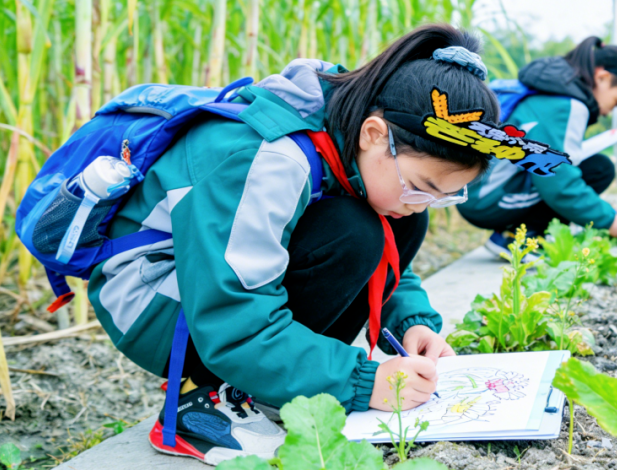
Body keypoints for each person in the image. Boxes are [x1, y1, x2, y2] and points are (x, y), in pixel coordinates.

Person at [88, 25, 554, 465]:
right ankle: (200, 403)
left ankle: (271, 382)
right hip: (155, 301)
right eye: (421, 186)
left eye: (445, 195)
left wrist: (411, 321)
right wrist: (363, 381)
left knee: (395, 222)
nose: (425, 202)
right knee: (356, 228)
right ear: (375, 134)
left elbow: (388, 256)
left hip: (210, 292)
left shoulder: (343, 135)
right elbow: (232, 315)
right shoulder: (271, 158)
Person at [456, 37, 617, 253]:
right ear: (602, 77)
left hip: (475, 189)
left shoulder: (550, 90)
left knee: (590, 166)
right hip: (487, 198)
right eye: (616, 102)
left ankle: (518, 233)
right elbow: (559, 182)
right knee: (598, 170)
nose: (608, 112)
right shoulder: (569, 104)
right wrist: (609, 220)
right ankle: (518, 238)